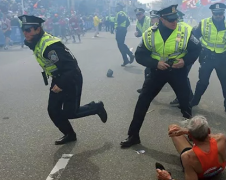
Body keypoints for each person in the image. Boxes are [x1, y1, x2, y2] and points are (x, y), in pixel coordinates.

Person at [18, 15, 108, 145]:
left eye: (28, 30)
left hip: (70, 78)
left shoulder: (50, 46)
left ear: (38, 30)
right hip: (59, 77)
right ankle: (69, 134)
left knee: (71, 112)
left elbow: (70, 66)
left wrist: (60, 84)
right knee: (53, 110)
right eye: (23, 30)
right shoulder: (36, 40)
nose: (25, 33)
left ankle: (96, 107)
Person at [120, 4, 200, 148]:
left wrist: (185, 61)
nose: (174, 22)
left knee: (185, 105)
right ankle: (133, 136)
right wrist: (155, 63)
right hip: (157, 72)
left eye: (175, 19)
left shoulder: (185, 30)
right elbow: (139, 55)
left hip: (178, 72)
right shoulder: (150, 33)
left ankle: (193, 136)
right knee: (142, 102)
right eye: (170, 20)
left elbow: (196, 48)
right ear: (161, 19)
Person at [191, 3, 226, 115]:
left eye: (220, 13)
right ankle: (194, 102)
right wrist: (198, 47)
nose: (218, 15)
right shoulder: (204, 23)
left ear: (224, 13)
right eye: (216, 13)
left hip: (222, 59)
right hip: (207, 57)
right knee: (202, 82)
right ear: (212, 13)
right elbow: (193, 36)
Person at [156, 115, 226, 180]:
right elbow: (210, 137)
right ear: (209, 130)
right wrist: (187, 131)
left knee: (172, 126)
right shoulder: (221, 138)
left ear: (190, 136)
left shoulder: (188, 157)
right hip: (219, 169)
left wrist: (168, 178)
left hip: (201, 175)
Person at [169, 10, 194, 106]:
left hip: (184, 58)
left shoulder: (181, 28)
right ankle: (186, 97)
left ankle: (186, 99)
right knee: (182, 78)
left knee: (180, 79)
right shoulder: (185, 26)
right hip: (186, 57)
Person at [135, 9, 153, 94]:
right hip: (146, 44)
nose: (138, 16)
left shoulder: (149, 20)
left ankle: (146, 90)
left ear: (143, 14)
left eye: (139, 14)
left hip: (153, 45)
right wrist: (137, 34)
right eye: (137, 15)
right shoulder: (138, 23)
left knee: (149, 70)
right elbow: (140, 33)